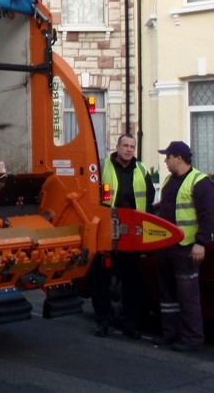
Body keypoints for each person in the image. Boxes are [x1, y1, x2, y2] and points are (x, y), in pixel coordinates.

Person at [153, 141, 214, 352]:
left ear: (179, 158)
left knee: (188, 296)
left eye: (167, 156)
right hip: (167, 247)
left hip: (186, 248)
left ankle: (193, 338)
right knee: (168, 293)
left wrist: (200, 243)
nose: (165, 160)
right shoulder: (170, 181)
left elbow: (208, 216)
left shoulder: (200, 182)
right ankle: (171, 334)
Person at [92, 133, 155, 338]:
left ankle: (129, 322)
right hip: (107, 231)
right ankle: (103, 321)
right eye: (125, 145)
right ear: (117, 147)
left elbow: (149, 198)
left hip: (131, 234)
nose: (128, 149)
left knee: (131, 281)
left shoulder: (142, 169)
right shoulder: (103, 167)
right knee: (101, 280)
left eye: (132, 146)